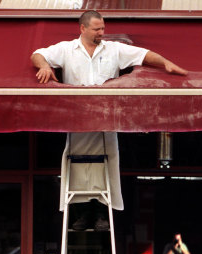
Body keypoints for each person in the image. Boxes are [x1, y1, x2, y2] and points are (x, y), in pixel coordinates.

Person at [31, 10, 188, 229]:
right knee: (77, 164)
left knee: (109, 161)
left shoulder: (113, 49)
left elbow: (143, 54)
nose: (101, 33)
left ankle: (102, 213)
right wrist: (45, 66)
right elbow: (37, 54)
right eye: (97, 29)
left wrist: (166, 64)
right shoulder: (66, 49)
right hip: (77, 117)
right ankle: (83, 213)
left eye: (103, 28)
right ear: (83, 28)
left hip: (107, 116)